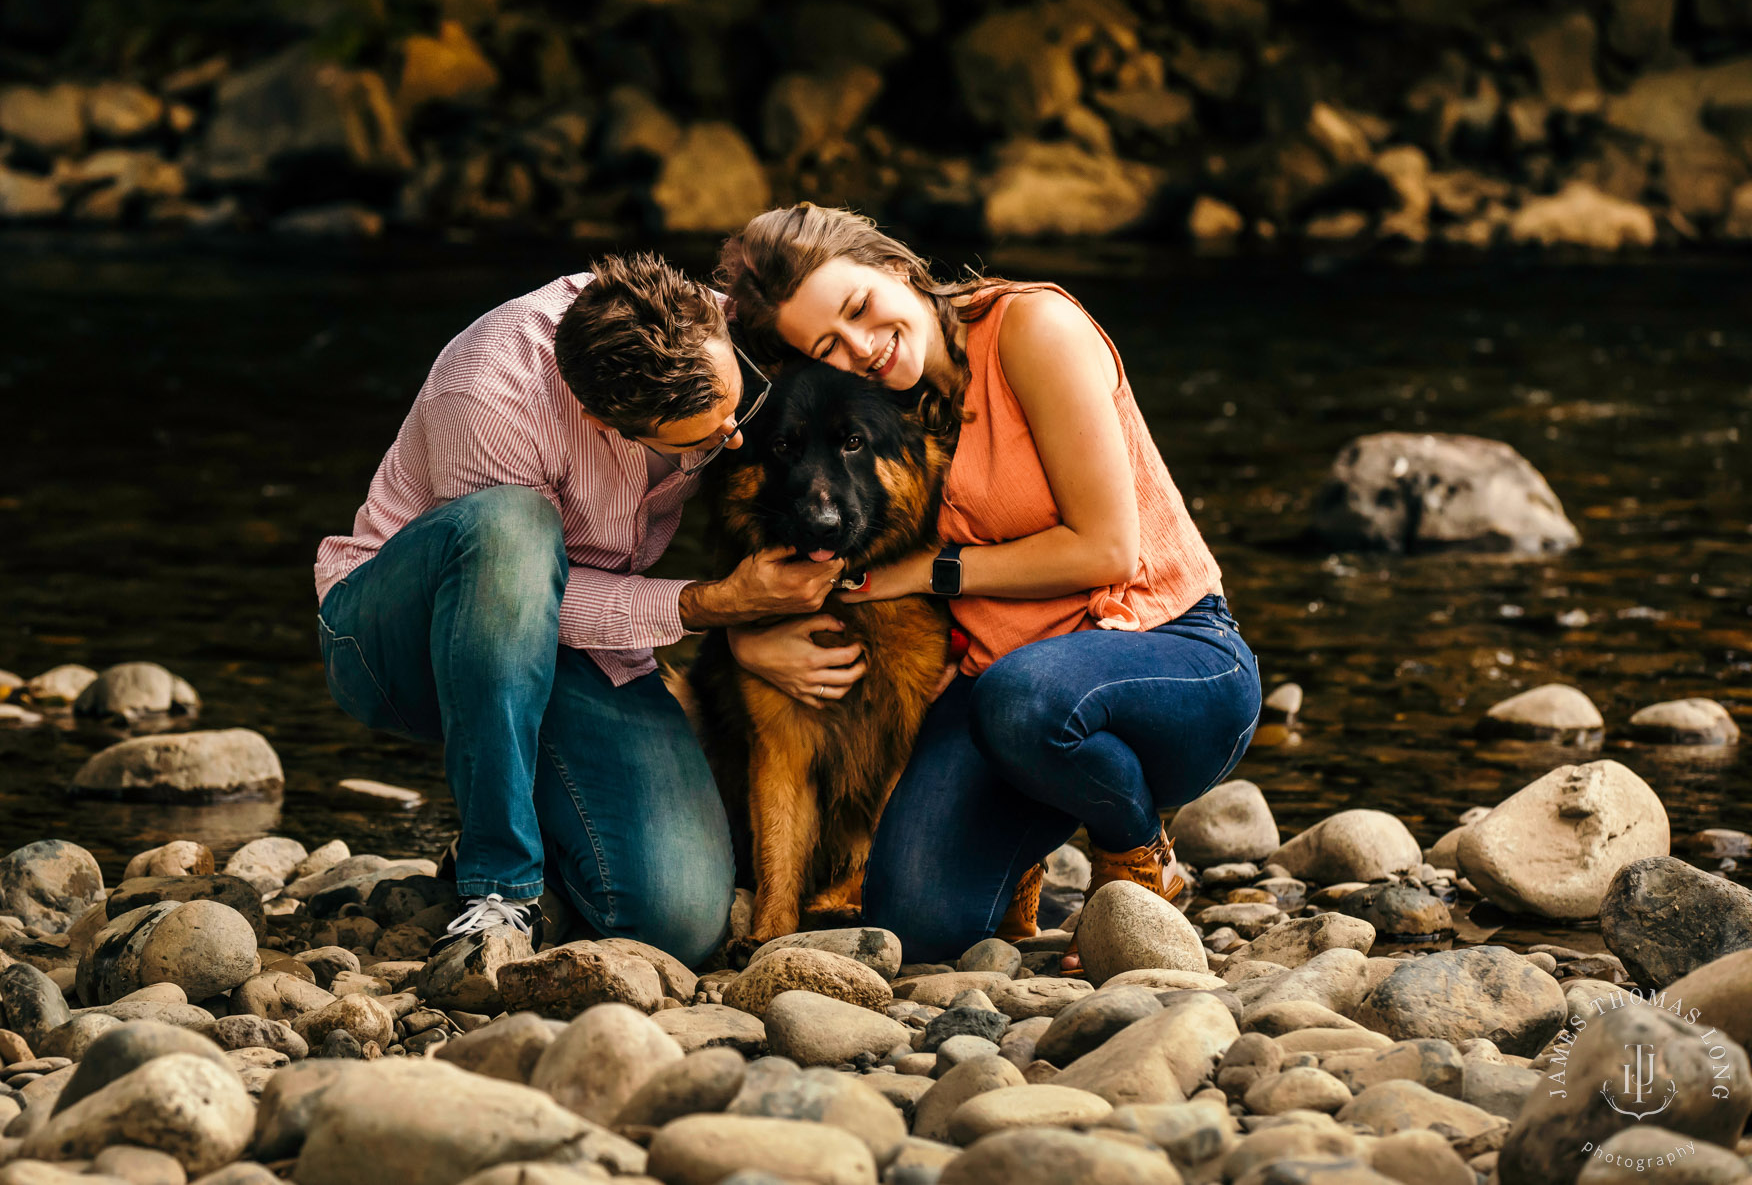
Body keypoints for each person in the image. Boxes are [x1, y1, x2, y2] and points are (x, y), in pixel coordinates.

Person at [719, 204, 1261, 969]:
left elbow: (1108, 547)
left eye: (860, 309)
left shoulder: (1033, 329)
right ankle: (1025, 850)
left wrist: (931, 572)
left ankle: (1137, 854)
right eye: (827, 347)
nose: (861, 348)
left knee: (1024, 697)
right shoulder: (878, 403)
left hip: (1167, 652)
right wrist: (747, 637)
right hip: (1002, 687)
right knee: (917, 923)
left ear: (898, 269)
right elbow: (815, 553)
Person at [312, 255, 847, 968]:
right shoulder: (491, 395)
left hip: (578, 650)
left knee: (675, 923)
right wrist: (715, 606)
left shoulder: (723, 324)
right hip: (396, 641)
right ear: (602, 420)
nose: (735, 438)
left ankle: (541, 827)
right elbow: (523, 597)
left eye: (737, 405)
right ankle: (498, 887)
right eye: (702, 442)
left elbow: (863, 319)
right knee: (512, 525)